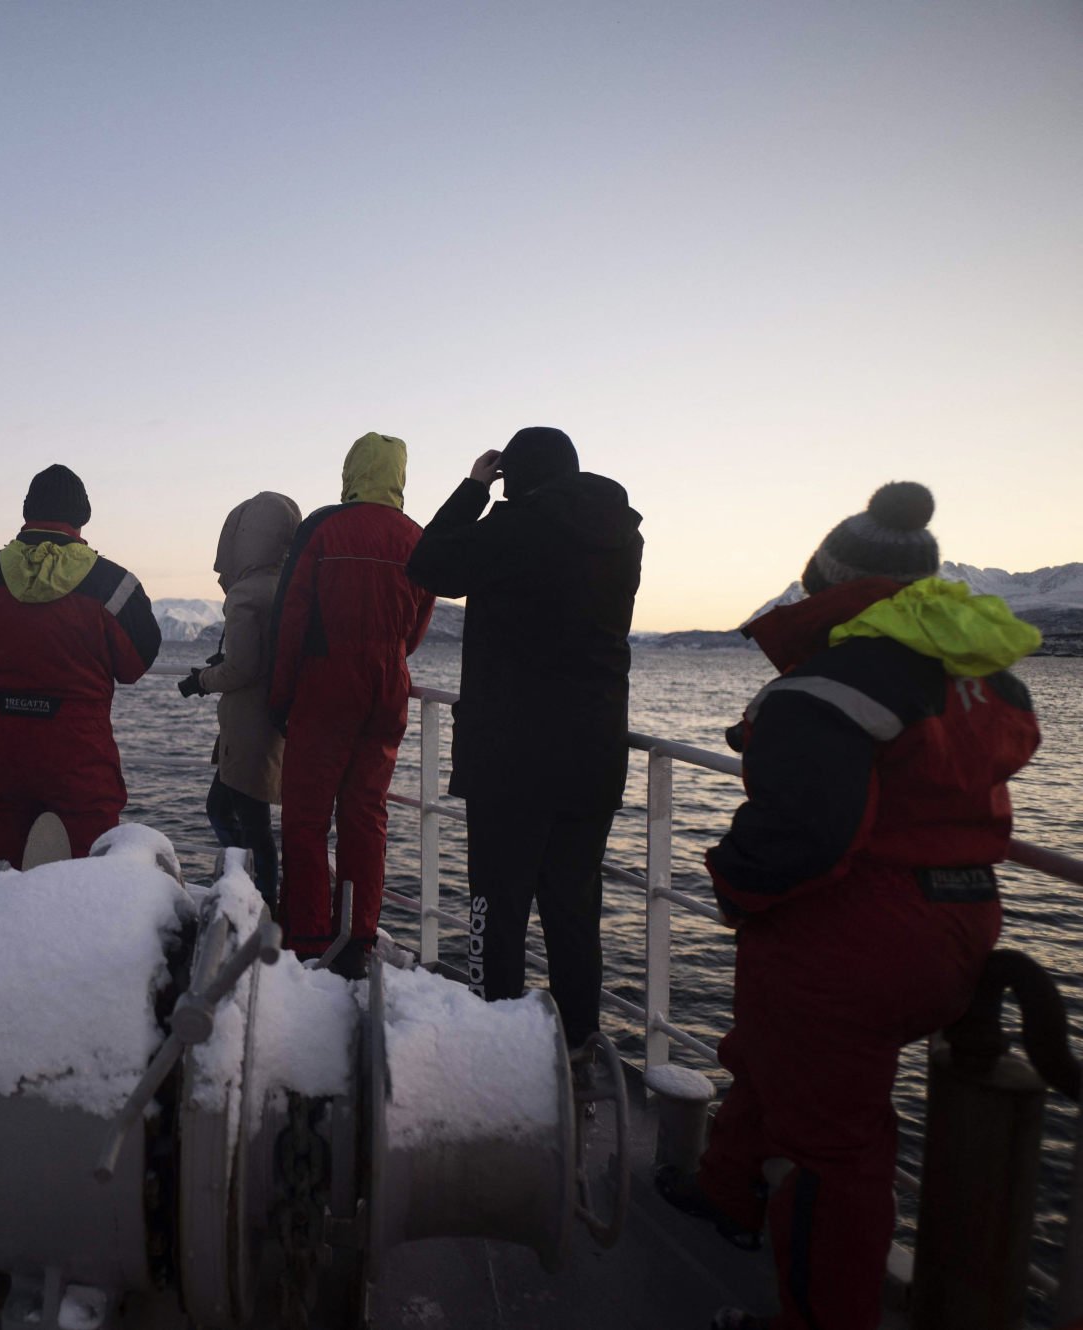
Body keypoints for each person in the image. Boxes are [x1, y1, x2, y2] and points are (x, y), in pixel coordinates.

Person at [660, 483, 1041, 1330]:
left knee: (834, 1151)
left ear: (824, 582)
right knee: (763, 1051)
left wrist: (731, 884)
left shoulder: (824, 684)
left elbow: (805, 835)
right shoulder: (981, 678)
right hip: (963, 919)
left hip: (850, 937)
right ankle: (727, 1192)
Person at [404, 427, 643, 1055]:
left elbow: (427, 563)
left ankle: (497, 1056)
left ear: (519, 477)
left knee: (497, 911)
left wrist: (474, 488)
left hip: (510, 757)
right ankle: (582, 1053)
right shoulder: (622, 536)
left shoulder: (515, 529)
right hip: (593, 757)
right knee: (573, 916)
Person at [268, 433, 435, 973]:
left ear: (351, 471)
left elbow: (290, 620)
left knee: (307, 816)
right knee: (366, 813)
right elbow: (416, 629)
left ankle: (310, 934)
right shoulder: (417, 538)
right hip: (388, 685)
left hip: (325, 684)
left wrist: (280, 698)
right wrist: (387, 658)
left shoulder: (323, 527)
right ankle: (359, 934)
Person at [0, 464, 162, 872]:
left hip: (1, 745)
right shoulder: (112, 583)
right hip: (78, 752)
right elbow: (136, 663)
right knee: (86, 866)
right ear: (82, 515)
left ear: (26, 511)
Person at [177, 491, 302, 906]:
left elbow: (243, 669)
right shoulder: (288, 585)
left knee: (245, 823)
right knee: (240, 814)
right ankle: (257, 894)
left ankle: (257, 902)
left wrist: (202, 680)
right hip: (272, 722)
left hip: (247, 727)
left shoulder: (246, 595)